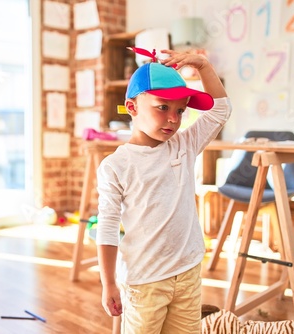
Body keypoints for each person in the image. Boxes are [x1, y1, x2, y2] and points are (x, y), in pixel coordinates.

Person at [95, 49, 231, 334]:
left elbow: (221, 110)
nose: (173, 119)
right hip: (145, 281)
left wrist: (203, 65)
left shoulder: (185, 144)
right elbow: (107, 228)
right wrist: (109, 283)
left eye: (180, 110)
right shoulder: (116, 165)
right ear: (132, 107)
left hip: (188, 270)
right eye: (162, 107)